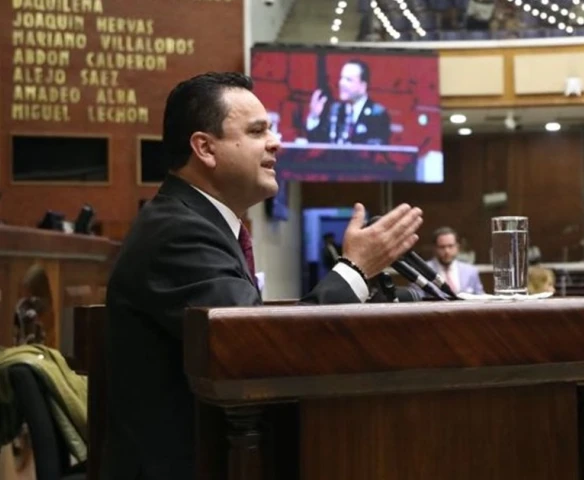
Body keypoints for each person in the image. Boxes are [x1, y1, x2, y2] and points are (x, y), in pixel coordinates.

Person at [104, 72, 423, 480]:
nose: (276, 142)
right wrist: (355, 269)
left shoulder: (198, 221)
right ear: (205, 147)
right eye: (257, 131)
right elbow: (261, 351)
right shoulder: (179, 231)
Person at [305, 60, 391, 145]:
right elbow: (318, 142)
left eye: (348, 80)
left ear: (363, 86)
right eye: (341, 78)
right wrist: (314, 116)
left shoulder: (377, 113)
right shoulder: (335, 109)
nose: (341, 83)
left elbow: (376, 150)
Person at [426, 227, 484, 295]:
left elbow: (481, 298)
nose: (447, 251)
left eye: (450, 246)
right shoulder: (424, 270)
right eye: (442, 247)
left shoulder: (471, 271)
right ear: (435, 248)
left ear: (457, 247)